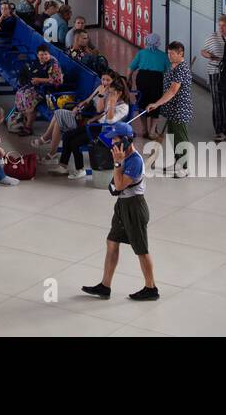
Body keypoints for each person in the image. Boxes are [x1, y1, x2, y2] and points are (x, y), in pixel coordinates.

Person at [82, 122, 159, 301]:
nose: (112, 143)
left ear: (125, 140)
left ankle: (151, 288)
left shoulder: (134, 161)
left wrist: (117, 162)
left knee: (141, 249)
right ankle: (105, 286)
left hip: (134, 207)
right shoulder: (124, 155)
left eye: (115, 139)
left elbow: (118, 185)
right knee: (112, 242)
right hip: (122, 205)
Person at [33, 69, 122, 158]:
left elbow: (99, 110)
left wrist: (101, 96)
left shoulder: (110, 94)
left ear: (112, 81)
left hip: (90, 120)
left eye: (108, 80)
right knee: (58, 115)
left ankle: (47, 142)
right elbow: (87, 100)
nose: (105, 82)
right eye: (103, 79)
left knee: (59, 121)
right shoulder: (100, 88)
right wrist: (78, 107)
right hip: (83, 113)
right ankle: (49, 146)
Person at [58, 73, 132, 179]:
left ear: (119, 93)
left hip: (105, 132)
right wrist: (94, 118)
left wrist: (111, 104)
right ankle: (63, 165)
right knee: (67, 135)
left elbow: (110, 121)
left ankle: (80, 169)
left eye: (111, 93)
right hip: (97, 125)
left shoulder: (123, 107)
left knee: (75, 142)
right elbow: (104, 113)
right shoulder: (113, 101)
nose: (109, 95)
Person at [146, 41, 192, 177]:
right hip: (172, 109)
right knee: (173, 137)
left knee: (181, 139)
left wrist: (156, 104)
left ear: (180, 53)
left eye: (172, 54)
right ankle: (178, 163)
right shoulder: (173, 66)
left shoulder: (181, 69)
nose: (169, 56)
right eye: (168, 53)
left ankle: (184, 168)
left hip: (180, 109)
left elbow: (172, 91)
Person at [9, 43, 63, 135]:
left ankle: (28, 128)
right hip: (38, 87)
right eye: (41, 55)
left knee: (28, 98)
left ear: (49, 54)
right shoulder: (38, 62)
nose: (44, 56)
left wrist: (39, 80)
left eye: (46, 54)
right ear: (38, 55)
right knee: (20, 93)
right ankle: (24, 119)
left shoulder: (53, 64)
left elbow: (57, 81)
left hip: (49, 91)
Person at [129, 32, 170, 139]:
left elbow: (131, 68)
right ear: (158, 43)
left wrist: (128, 79)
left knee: (142, 102)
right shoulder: (163, 55)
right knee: (155, 103)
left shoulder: (141, 53)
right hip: (156, 79)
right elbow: (169, 71)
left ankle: (144, 130)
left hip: (142, 78)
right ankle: (152, 131)